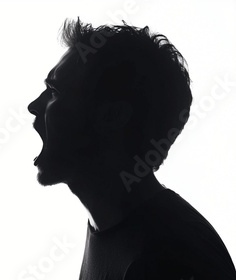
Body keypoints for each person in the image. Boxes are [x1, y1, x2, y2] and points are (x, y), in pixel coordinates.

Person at [28, 18, 236, 279]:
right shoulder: (113, 225)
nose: (34, 105)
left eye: (54, 91)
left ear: (112, 116)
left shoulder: (168, 259)